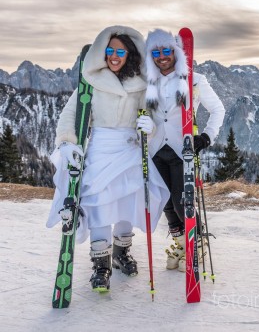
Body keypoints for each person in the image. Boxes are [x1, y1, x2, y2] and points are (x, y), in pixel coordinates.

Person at [47, 25, 170, 292]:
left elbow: (153, 117)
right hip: (101, 148)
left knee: (129, 199)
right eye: (110, 50)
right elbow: (71, 114)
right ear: (103, 52)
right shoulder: (91, 81)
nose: (115, 56)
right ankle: (100, 263)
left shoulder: (141, 85)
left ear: (130, 55)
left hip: (129, 148)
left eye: (121, 52)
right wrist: (67, 143)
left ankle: (121, 252)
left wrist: (151, 128)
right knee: (99, 204)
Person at [144, 28, 225, 271]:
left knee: (182, 203)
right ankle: (181, 243)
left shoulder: (195, 80)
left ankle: (196, 242)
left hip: (183, 150)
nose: (162, 56)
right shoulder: (148, 82)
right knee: (165, 203)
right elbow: (143, 113)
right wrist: (145, 124)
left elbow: (218, 109)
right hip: (157, 148)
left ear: (176, 52)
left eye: (166, 50)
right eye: (156, 52)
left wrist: (207, 137)